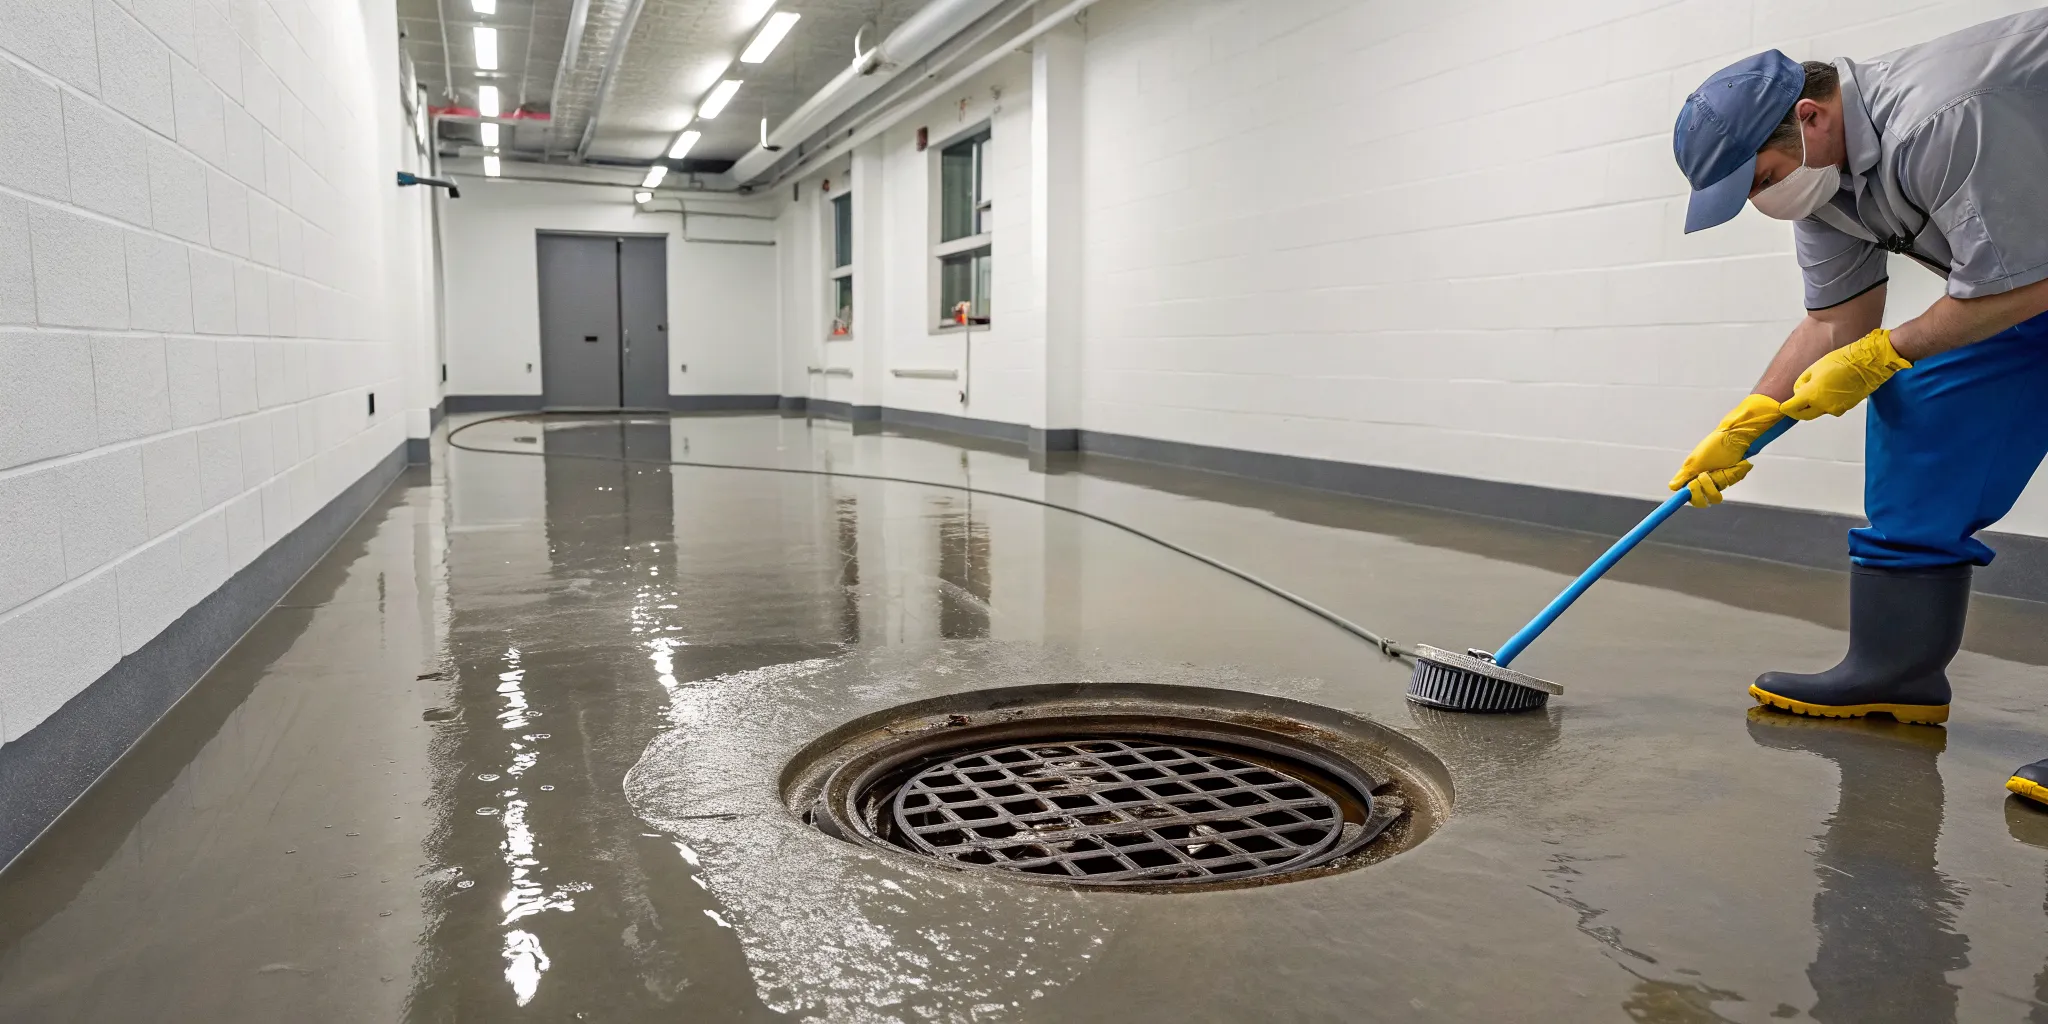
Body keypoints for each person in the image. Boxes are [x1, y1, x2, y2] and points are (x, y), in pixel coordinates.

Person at [1668, 11, 2048, 803]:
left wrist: (1884, 353)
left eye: (1763, 181)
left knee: (1904, 363)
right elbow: (1835, 321)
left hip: (2031, 278)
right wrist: (1746, 426)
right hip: (2026, 281)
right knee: (1922, 408)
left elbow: (2020, 284)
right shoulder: (1827, 184)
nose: (1768, 202)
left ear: (1810, 117)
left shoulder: (1944, 116)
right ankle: (1894, 673)